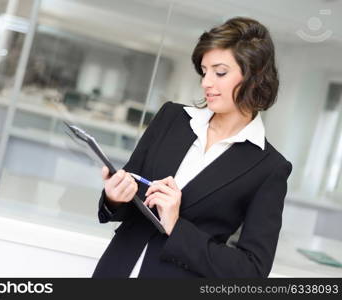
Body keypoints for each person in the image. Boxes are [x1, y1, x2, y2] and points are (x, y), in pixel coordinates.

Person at [92, 17, 292, 278]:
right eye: (204, 71)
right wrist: (115, 197)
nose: (206, 82)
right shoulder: (171, 119)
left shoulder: (269, 168)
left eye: (219, 72)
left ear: (254, 75)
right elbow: (130, 202)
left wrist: (176, 226)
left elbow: (251, 272)